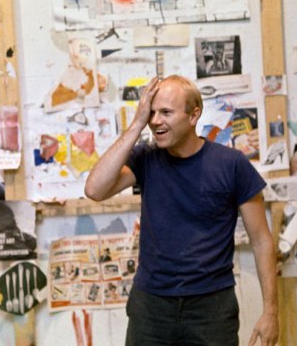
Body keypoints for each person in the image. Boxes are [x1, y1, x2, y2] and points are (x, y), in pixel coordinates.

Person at [85, 75, 278, 346]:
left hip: (211, 307)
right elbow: (95, 189)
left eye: (166, 112)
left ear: (193, 115)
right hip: (151, 305)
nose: (155, 120)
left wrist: (270, 311)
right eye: (151, 112)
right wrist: (136, 124)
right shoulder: (145, 158)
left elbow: (261, 241)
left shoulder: (231, 164)